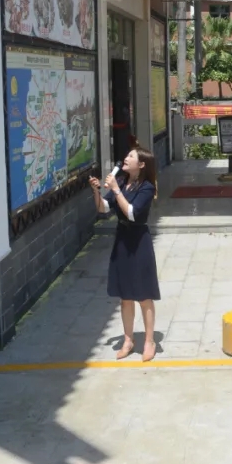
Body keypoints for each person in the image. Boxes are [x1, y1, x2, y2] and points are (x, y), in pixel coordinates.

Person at [89, 148, 161, 362]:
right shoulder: (120, 181)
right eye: (127, 155)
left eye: (131, 156)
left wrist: (115, 189)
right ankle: (128, 340)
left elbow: (132, 213)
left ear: (141, 164)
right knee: (125, 295)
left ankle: (149, 341)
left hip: (139, 240)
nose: (126, 159)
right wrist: (96, 191)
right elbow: (103, 208)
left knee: (144, 295)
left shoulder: (147, 187)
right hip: (122, 239)